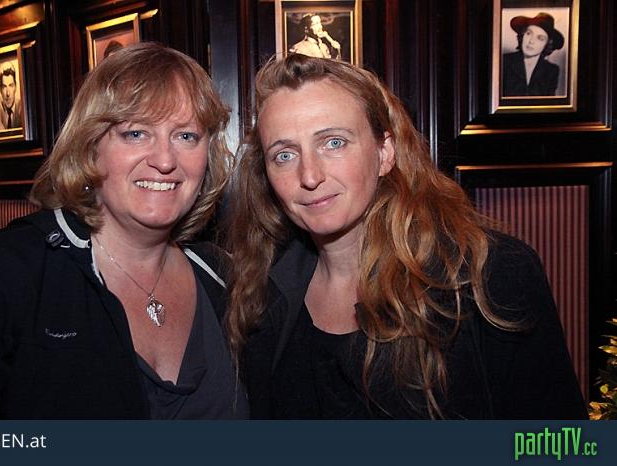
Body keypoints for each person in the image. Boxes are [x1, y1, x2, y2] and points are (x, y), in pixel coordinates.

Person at [226, 54, 586, 419]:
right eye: (284, 155)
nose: (309, 175)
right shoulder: (262, 293)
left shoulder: (489, 274)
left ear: (384, 153)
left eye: (333, 143)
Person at [0, 42, 248, 419]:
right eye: (136, 133)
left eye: (186, 136)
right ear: (90, 148)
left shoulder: (225, 278)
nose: (164, 160)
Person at [502, 12, 564, 97]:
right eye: (528, 33)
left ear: (547, 44)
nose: (531, 41)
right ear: (522, 35)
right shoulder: (504, 62)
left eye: (540, 38)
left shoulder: (552, 70)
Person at [0, 64, 22, 130]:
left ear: (15, 87)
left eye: (11, 85)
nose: (8, 93)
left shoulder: (21, 105)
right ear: (0, 89)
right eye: (4, 87)